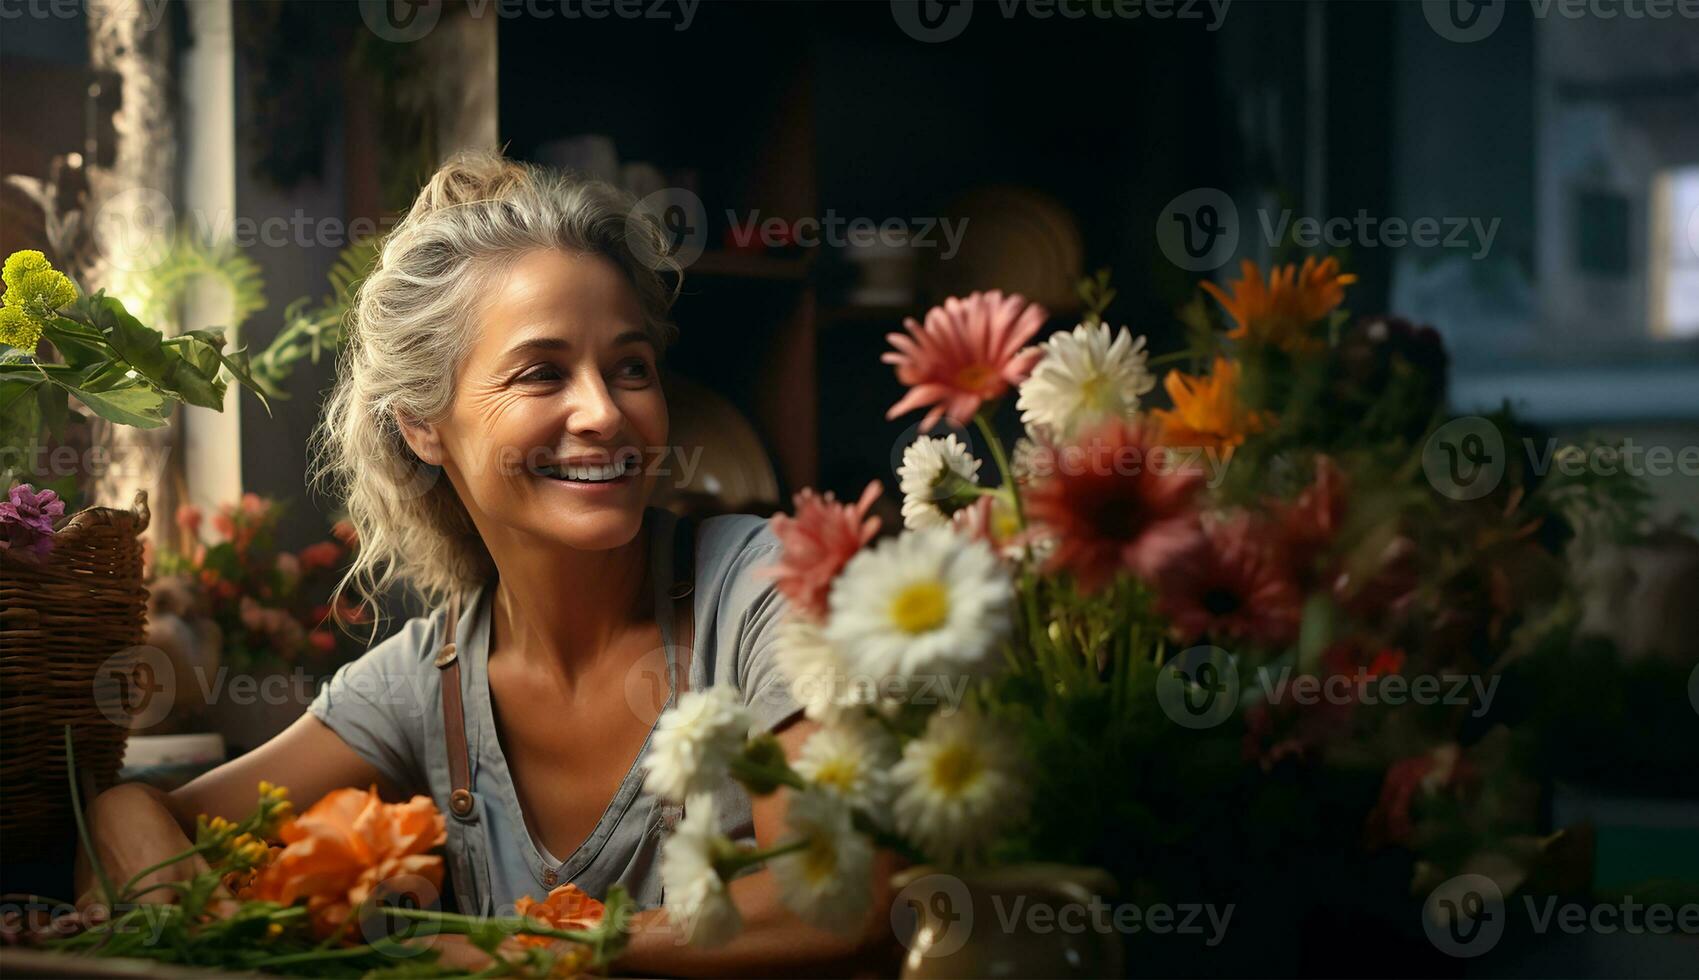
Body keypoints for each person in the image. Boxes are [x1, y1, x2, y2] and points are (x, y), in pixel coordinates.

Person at [78, 151, 890, 975]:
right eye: (542, 373)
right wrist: (122, 816)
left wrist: (507, 951)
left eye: (630, 368)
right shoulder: (423, 683)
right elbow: (151, 824)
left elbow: (837, 896)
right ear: (423, 426)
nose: (605, 412)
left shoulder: (768, 589)